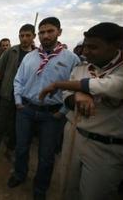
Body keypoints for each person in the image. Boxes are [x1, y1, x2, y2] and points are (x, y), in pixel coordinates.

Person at [39, 22, 123, 200]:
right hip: (73, 136)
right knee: (66, 189)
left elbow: (109, 86)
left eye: (93, 47)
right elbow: (66, 97)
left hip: (105, 147)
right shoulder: (81, 69)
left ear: (115, 45)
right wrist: (76, 95)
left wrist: (59, 84)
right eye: (85, 46)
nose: (86, 52)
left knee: (94, 194)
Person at [7, 17, 80, 200]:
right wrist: (18, 101)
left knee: (46, 156)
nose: (45, 36)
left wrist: (62, 112)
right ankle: (19, 174)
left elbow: (74, 88)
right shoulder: (30, 57)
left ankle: (40, 189)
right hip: (26, 110)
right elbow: (18, 81)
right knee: (22, 147)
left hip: (52, 115)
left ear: (59, 32)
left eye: (50, 31)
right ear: (37, 35)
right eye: (42, 32)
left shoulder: (72, 59)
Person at [0, 24, 36, 165]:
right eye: (21, 35)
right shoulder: (11, 52)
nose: (24, 38)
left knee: (17, 129)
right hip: (7, 95)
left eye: (27, 35)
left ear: (34, 36)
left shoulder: (37, 55)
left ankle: (10, 150)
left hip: (26, 98)